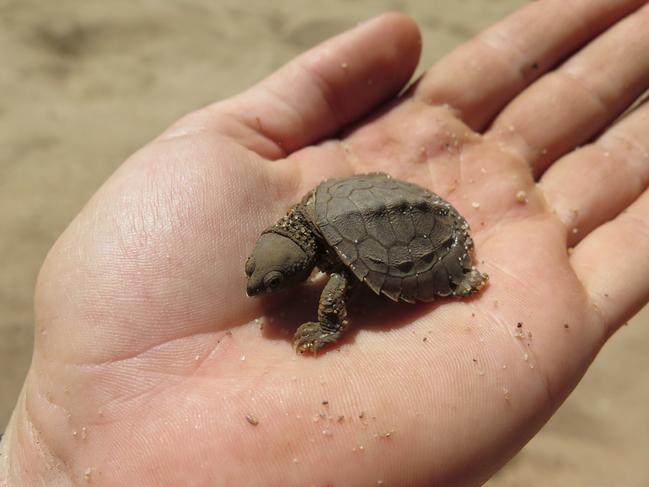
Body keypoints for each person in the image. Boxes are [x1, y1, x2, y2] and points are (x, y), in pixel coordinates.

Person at [2, 2, 649, 485]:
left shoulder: (328, 257)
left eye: (265, 282)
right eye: (261, 280)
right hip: (381, 207)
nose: (257, 291)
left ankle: (454, 279)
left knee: (447, 275)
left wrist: (327, 326)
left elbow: (337, 286)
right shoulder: (309, 211)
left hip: (416, 228)